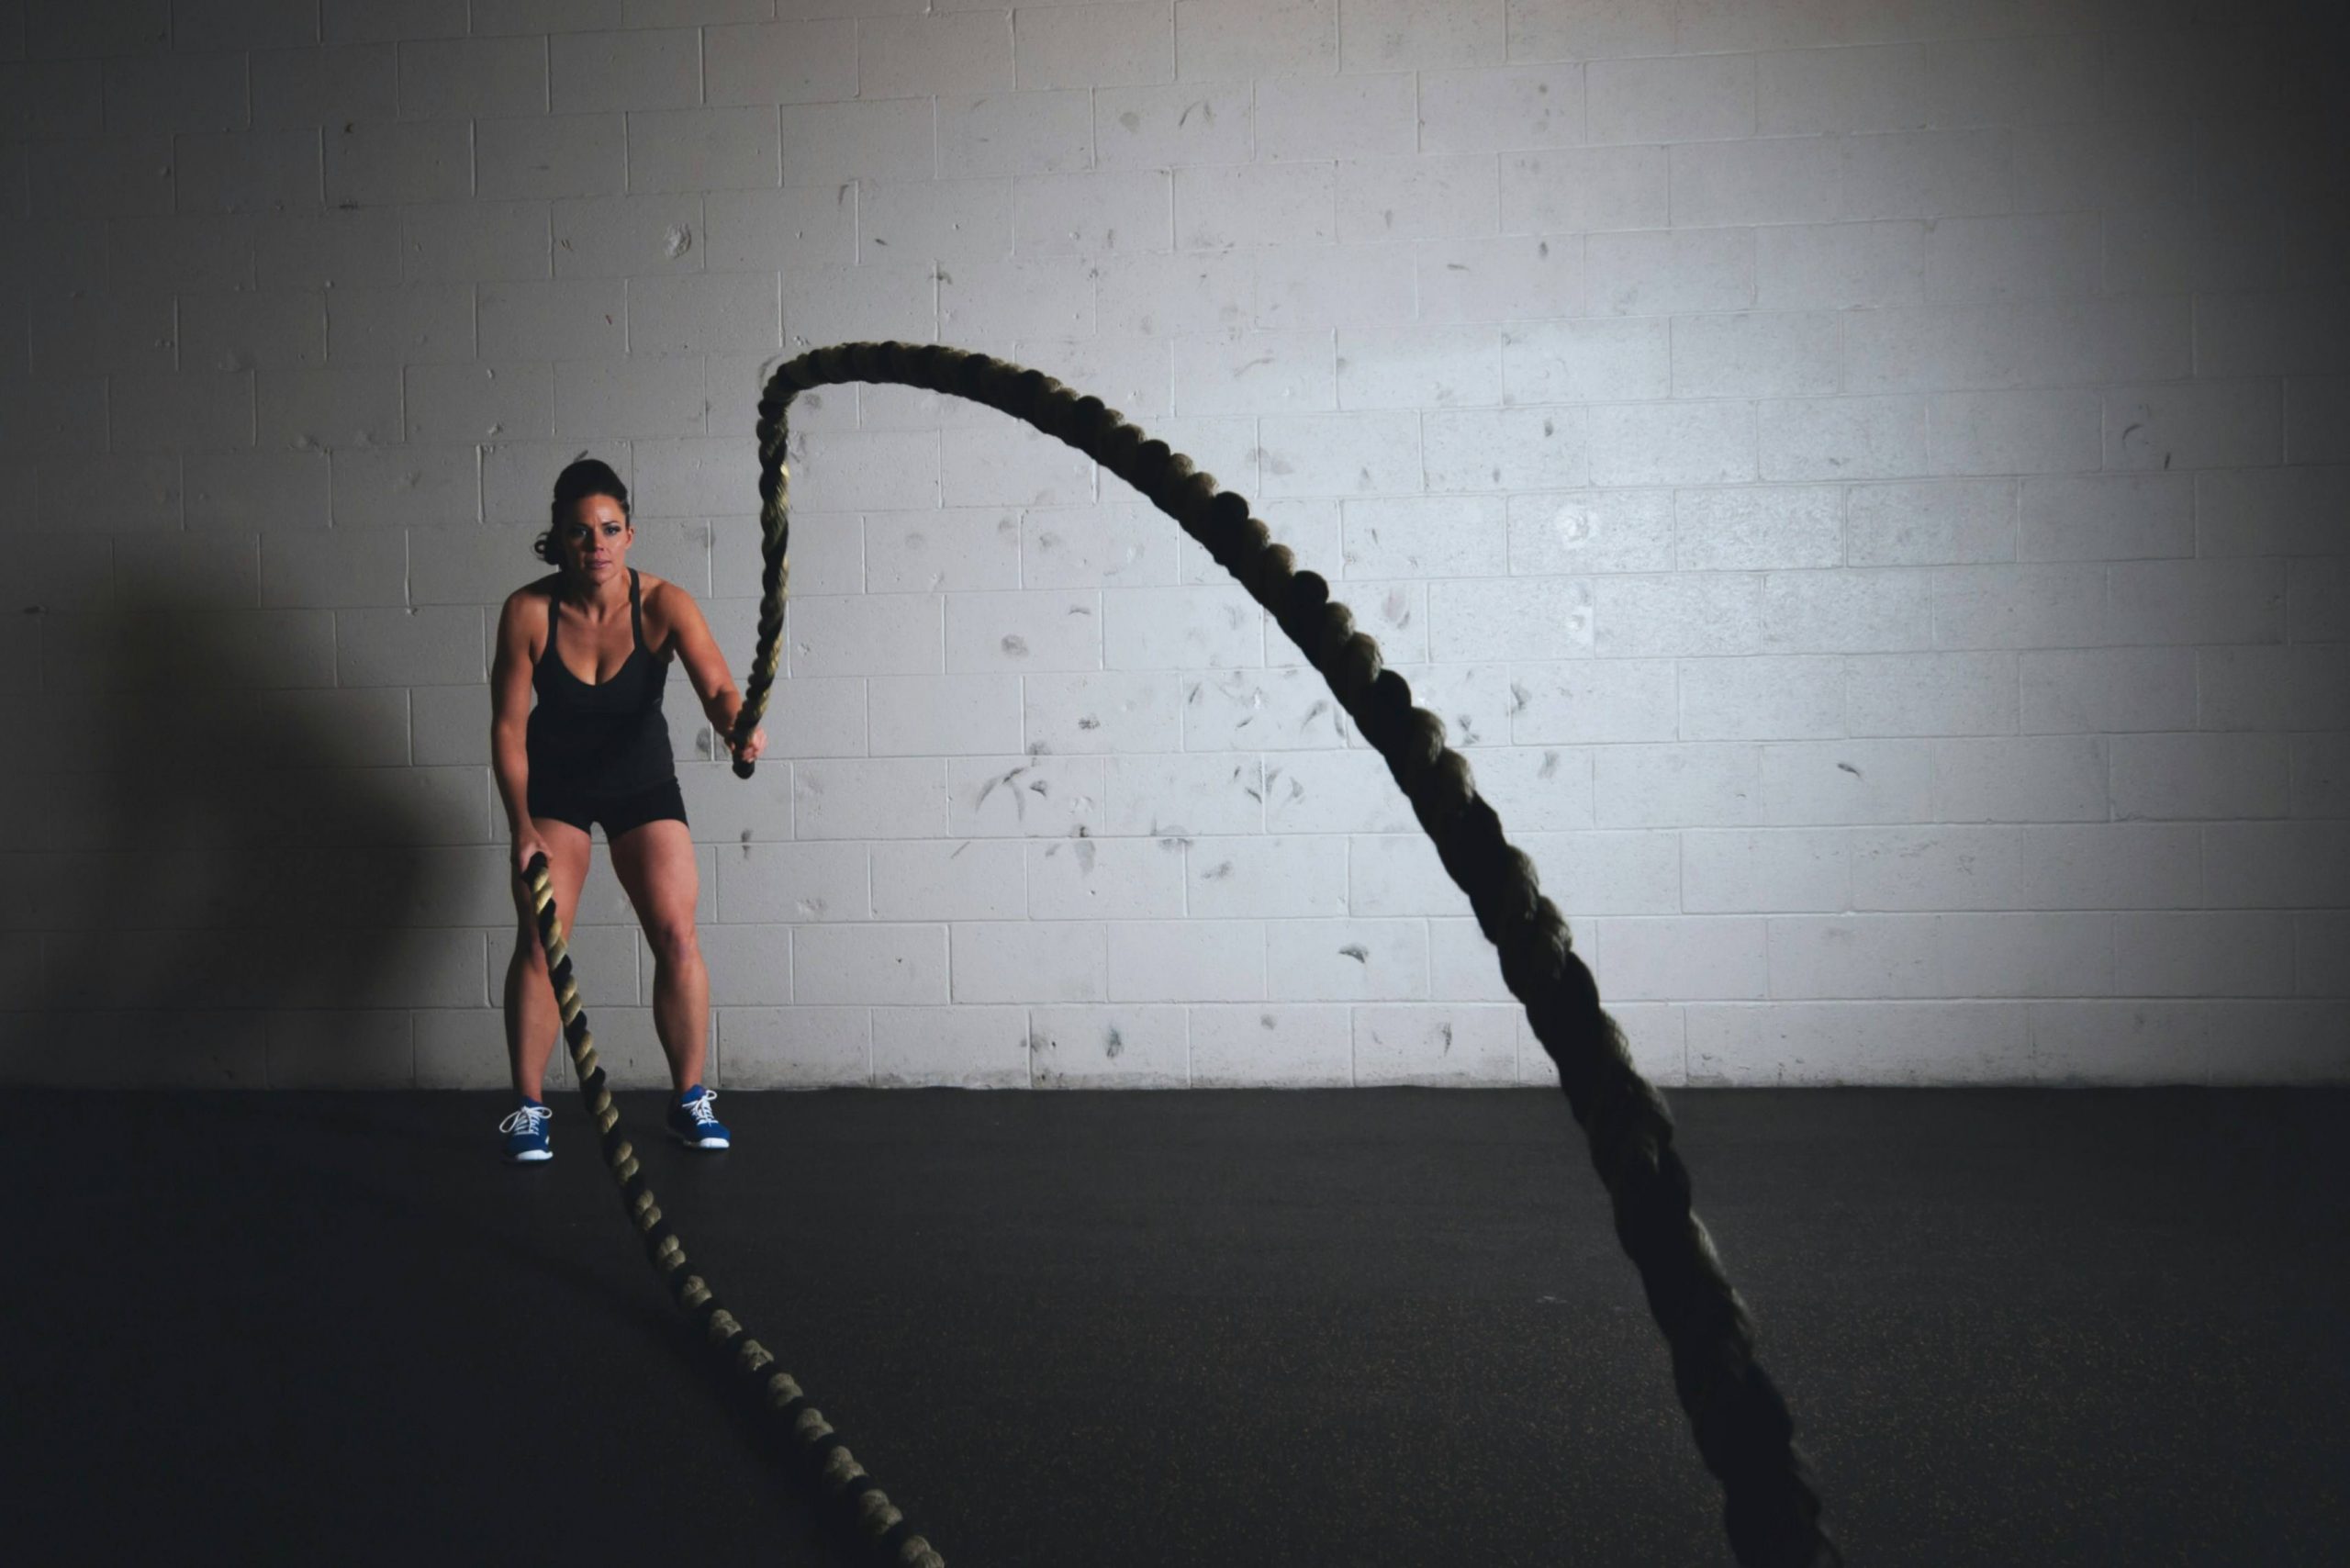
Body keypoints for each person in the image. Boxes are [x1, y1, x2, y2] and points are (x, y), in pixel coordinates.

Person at [490, 458, 767, 1163]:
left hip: (642, 786)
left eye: (610, 529)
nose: (597, 545)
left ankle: (689, 1098)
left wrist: (739, 723)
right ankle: (527, 1108)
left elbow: (718, 689)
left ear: (630, 535)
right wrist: (521, 827)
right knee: (541, 940)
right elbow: (509, 728)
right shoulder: (527, 611)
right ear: (560, 537)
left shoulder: (664, 604)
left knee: (678, 933)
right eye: (581, 532)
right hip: (558, 790)